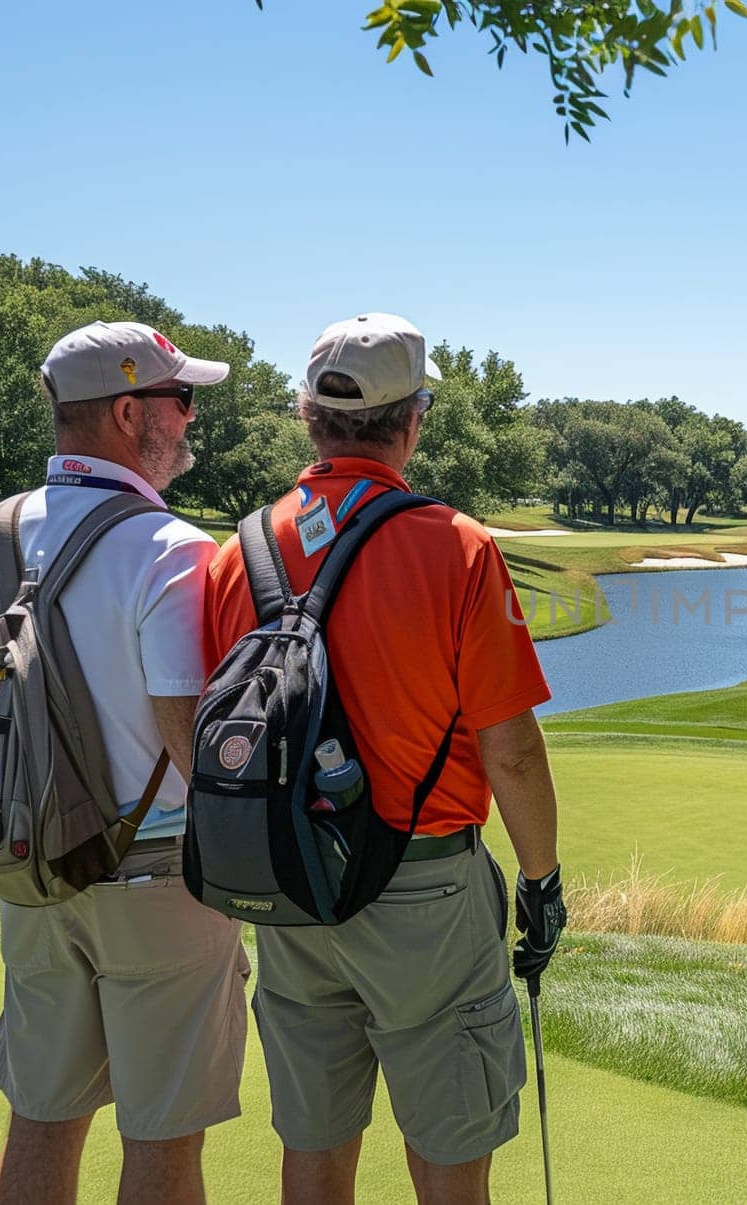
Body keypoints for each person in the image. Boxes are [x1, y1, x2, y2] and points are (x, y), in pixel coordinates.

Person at [201, 312, 565, 1205]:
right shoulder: (458, 547)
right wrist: (541, 882)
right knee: (450, 1164)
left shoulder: (232, 556)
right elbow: (510, 752)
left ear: (307, 416)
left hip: (289, 891)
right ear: (414, 420)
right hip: (427, 897)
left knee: (316, 1154)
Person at [0, 321, 250, 1205]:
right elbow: (189, 740)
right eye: (180, 399)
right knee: (163, 1146)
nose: (190, 419)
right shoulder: (171, 548)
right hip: (158, 888)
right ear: (126, 412)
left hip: (32, 878)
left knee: (39, 1123)